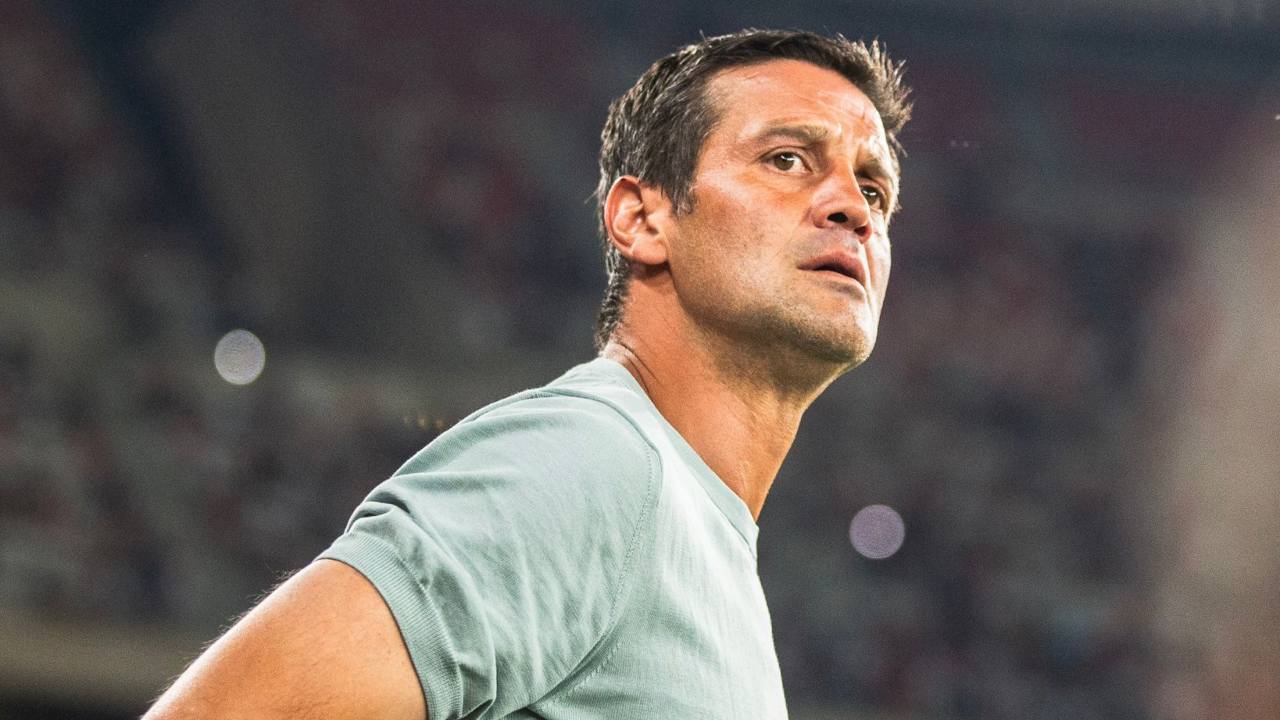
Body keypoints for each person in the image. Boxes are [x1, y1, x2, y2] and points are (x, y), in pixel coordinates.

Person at [144, 28, 911, 720]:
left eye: (873, 189)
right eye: (786, 160)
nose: (853, 207)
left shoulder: (690, 525)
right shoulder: (593, 463)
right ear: (641, 219)